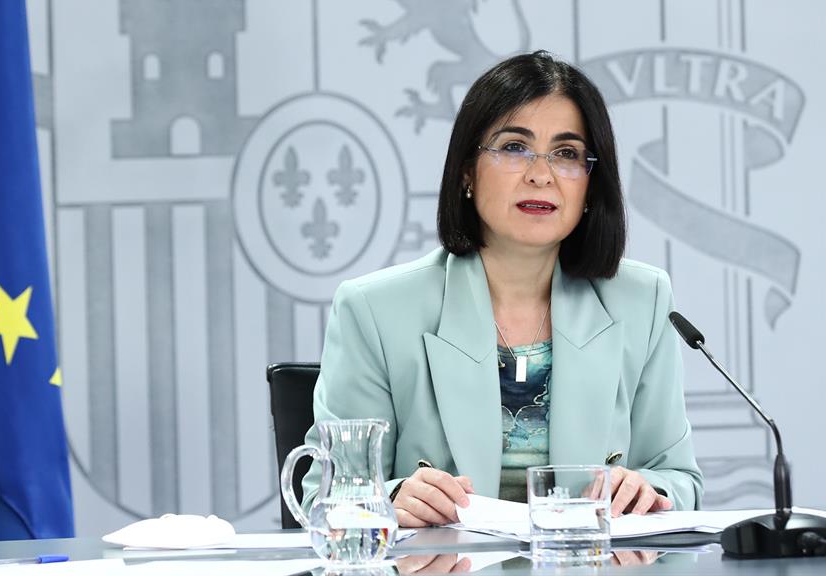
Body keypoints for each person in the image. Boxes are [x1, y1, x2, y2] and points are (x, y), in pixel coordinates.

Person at [300, 51, 702, 528]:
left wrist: (649, 489)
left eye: (567, 154)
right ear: (467, 172)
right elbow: (325, 495)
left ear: (591, 188)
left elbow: (680, 479)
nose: (541, 174)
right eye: (514, 147)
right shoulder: (375, 310)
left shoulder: (643, 300)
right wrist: (391, 497)